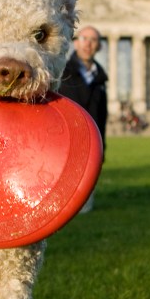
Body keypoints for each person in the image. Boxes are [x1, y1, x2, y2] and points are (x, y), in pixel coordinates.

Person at [59, 25, 108, 212]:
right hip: (66, 138)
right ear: (75, 43)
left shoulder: (100, 77)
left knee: (86, 187)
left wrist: (103, 145)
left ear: (99, 46)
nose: (88, 44)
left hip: (92, 141)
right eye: (84, 39)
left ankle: (84, 209)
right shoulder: (62, 71)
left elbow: (102, 116)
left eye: (93, 40)